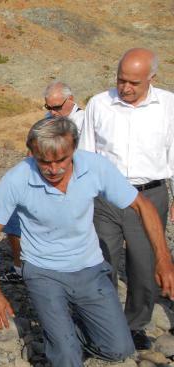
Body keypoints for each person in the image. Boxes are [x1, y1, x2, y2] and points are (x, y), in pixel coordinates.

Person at [0, 116, 174, 367]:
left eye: (63, 161)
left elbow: (141, 204)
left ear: (74, 151)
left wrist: (163, 259)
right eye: (45, 162)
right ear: (32, 153)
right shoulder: (16, 179)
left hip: (90, 267)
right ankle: (65, 355)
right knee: (67, 350)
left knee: (120, 348)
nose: (54, 170)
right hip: (43, 272)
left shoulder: (94, 166)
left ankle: (60, 338)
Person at [79, 48, 174, 350]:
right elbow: (85, 153)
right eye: (121, 80)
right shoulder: (99, 103)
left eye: (134, 82)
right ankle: (106, 322)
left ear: (151, 78)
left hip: (151, 194)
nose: (126, 88)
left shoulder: (169, 106)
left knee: (144, 264)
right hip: (106, 197)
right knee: (103, 259)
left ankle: (136, 324)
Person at [0, 81, 85, 283]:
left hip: (70, 184)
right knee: (13, 217)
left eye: (57, 107)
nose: (53, 112)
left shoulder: (84, 121)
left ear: (70, 99)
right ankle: (20, 268)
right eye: (49, 107)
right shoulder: (48, 121)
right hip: (41, 179)